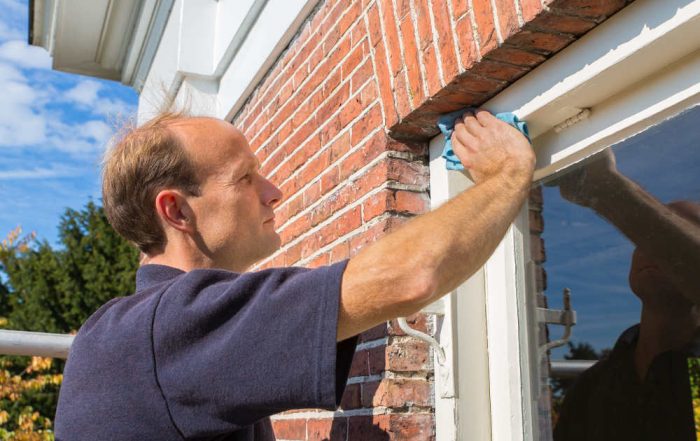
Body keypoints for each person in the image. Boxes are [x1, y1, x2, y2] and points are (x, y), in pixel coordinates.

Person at [53, 109, 535, 440]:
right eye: (245, 177)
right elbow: (413, 276)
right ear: (176, 210)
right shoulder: (169, 327)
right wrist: (508, 174)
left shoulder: (126, 333)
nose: (274, 191)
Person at [552, 150, 700, 441]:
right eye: (643, 236)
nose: (651, 246)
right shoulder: (592, 386)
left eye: (664, 233)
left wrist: (605, 187)